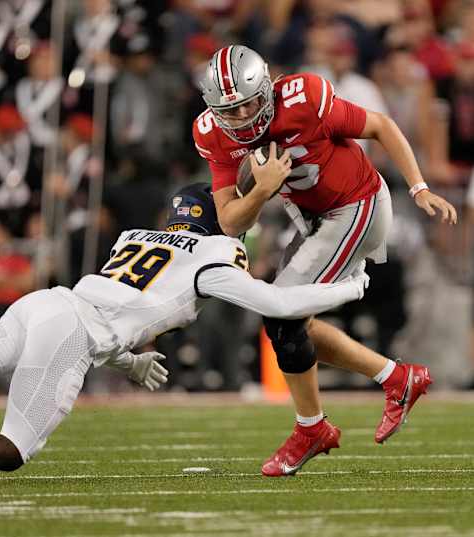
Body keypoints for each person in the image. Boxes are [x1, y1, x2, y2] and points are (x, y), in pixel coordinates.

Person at [0, 183, 369, 486]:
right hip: (70, 331)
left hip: (48, 303)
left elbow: (119, 307)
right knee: (13, 449)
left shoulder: (138, 236)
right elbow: (277, 301)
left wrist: (128, 361)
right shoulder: (217, 255)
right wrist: (348, 288)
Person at [193, 45, 456, 476]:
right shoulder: (211, 132)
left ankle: (311, 428)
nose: (239, 119)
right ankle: (395, 378)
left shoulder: (304, 98)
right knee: (291, 320)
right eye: (230, 110)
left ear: (267, 90)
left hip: (358, 205)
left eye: (247, 106)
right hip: (313, 217)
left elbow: (380, 126)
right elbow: (229, 220)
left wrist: (419, 187)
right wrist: (260, 191)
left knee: (280, 316)